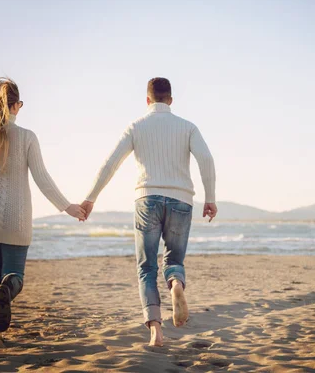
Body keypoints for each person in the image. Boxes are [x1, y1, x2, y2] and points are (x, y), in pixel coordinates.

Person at [0, 78, 86, 345]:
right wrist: (68, 207)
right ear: (16, 106)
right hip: (16, 217)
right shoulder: (27, 137)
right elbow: (43, 178)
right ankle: (7, 290)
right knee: (12, 275)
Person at [81, 77, 217, 346]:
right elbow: (206, 159)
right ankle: (176, 282)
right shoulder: (187, 127)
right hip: (181, 200)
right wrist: (210, 198)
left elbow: (111, 163)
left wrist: (90, 198)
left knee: (146, 268)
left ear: (147, 100)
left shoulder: (136, 126)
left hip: (147, 200)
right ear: (171, 100)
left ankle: (156, 330)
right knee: (174, 260)